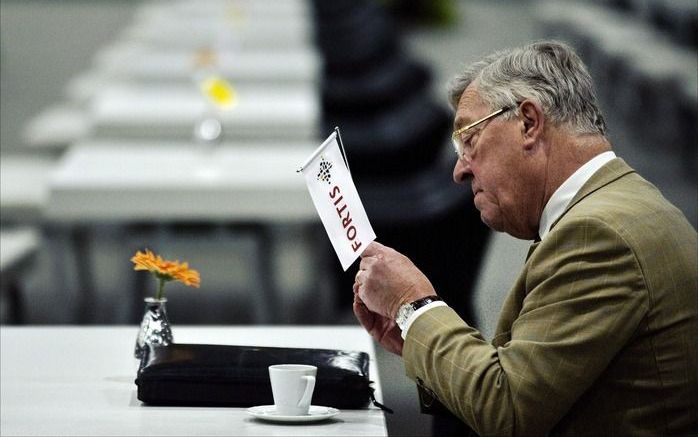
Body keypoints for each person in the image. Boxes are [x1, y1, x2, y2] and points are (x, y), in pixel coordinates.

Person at [352, 40, 697, 436]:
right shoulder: (615, 206)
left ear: (528, 123)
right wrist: (417, 336)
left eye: (468, 140)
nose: (459, 171)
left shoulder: (597, 236)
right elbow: (531, 387)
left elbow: (508, 413)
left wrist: (412, 305)